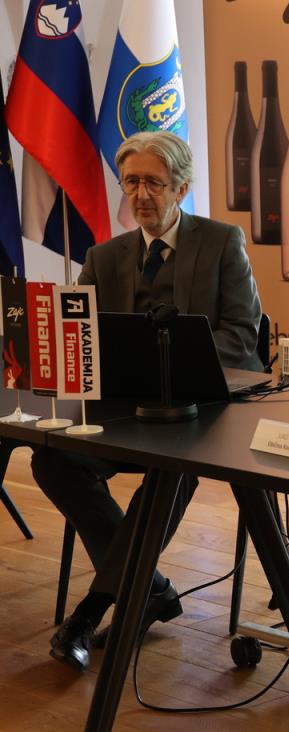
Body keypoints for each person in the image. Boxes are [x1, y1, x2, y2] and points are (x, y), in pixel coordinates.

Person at [38, 130, 263, 671]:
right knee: (51, 460)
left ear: (181, 188)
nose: (140, 194)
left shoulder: (221, 242)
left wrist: (173, 361)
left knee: (170, 471)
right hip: (124, 409)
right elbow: (82, 335)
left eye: (153, 183)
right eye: (131, 182)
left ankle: (92, 610)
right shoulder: (104, 256)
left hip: (200, 410)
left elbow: (242, 335)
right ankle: (151, 589)